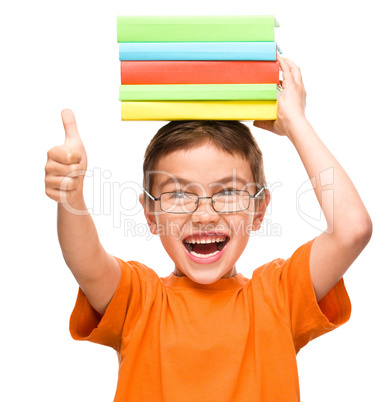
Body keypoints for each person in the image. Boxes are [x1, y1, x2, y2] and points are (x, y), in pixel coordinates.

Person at [44, 56, 372, 401]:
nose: (204, 215)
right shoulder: (137, 300)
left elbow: (352, 229)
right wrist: (71, 197)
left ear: (259, 209)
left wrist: (296, 123)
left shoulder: (279, 296)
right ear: (151, 215)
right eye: (180, 194)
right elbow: (85, 261)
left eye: (228, 192)